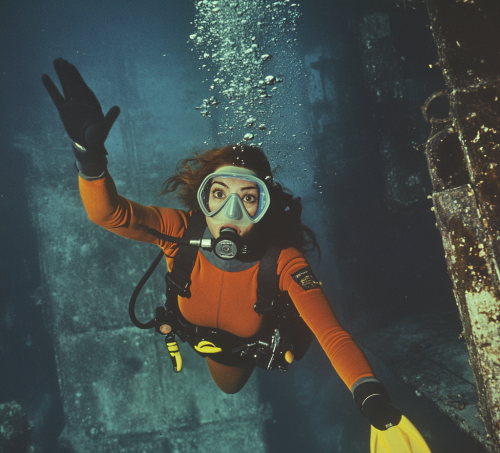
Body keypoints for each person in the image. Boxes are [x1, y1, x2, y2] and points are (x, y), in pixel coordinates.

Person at [42, 58, 402, 431]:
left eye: (248, 198)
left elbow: (331, 334)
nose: (231, 212)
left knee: (230, 387)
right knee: (224, 384)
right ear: (203, 198)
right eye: (219, 194)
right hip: (196, 336)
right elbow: (109, 214)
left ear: (263, 207)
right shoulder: (179, 231)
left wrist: (369, 393)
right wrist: (89, 158)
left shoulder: (281, 261)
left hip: (240, 354)